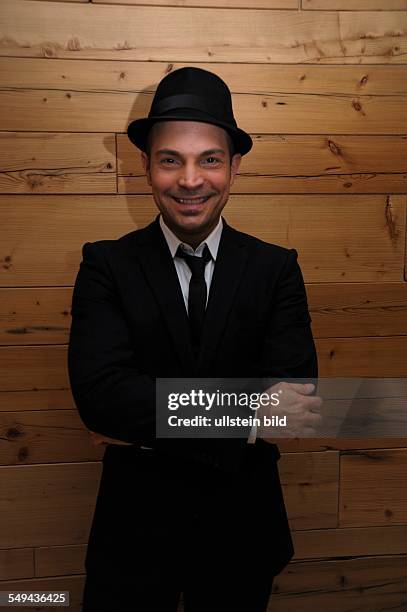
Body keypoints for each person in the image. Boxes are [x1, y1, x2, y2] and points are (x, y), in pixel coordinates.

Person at [68, 67, 320, 612]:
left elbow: (295, 402)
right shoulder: (106, 265)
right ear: (146, 166)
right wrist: (248, 415)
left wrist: (144, 425)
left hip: (243, 537)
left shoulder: (276, 269)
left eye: (208, 158)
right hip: (133, 544)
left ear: (233, 167)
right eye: (170, 159)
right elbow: (102, 397)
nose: (189, 180)